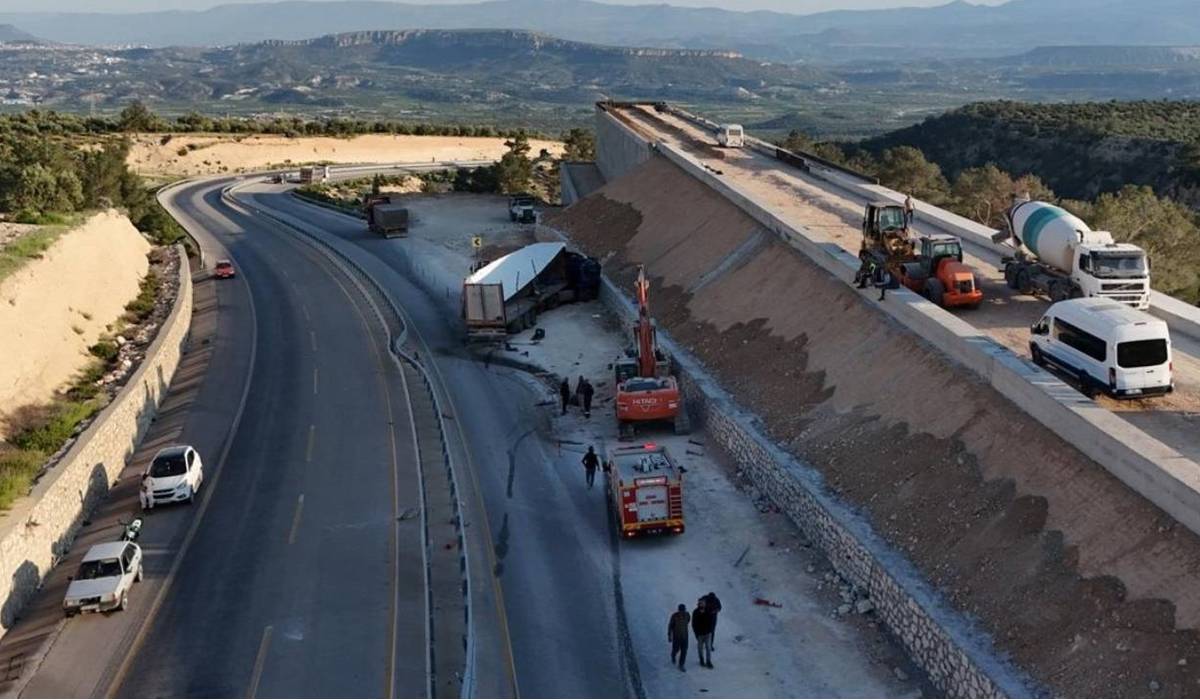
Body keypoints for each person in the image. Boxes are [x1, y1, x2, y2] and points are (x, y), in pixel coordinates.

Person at [692, 598, 715, 669]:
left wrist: (710, 630)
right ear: (698, 603)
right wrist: (696, 633)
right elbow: (694, 623)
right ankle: (701, 660)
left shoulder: (708, 610)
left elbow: (712, 621)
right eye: (700, 603)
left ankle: (708, 661)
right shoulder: (696, 612)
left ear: (705, 603)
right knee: (700, 648)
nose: (701, 604)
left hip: (708, 633)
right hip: (700, 634)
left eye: (703, 603)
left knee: (708, 648)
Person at [668, 604, 691, 672]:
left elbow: (688, 621)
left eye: (683, 610)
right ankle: (673, 655)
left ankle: (681, 664)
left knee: (684, 651)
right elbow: (670, 626)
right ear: (678, 610)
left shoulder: (687, 615)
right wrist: (669, 635)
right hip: (677, 637)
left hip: (685, 637)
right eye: (681, 610)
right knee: (676, 649)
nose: (682, 612)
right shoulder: (674, 616)